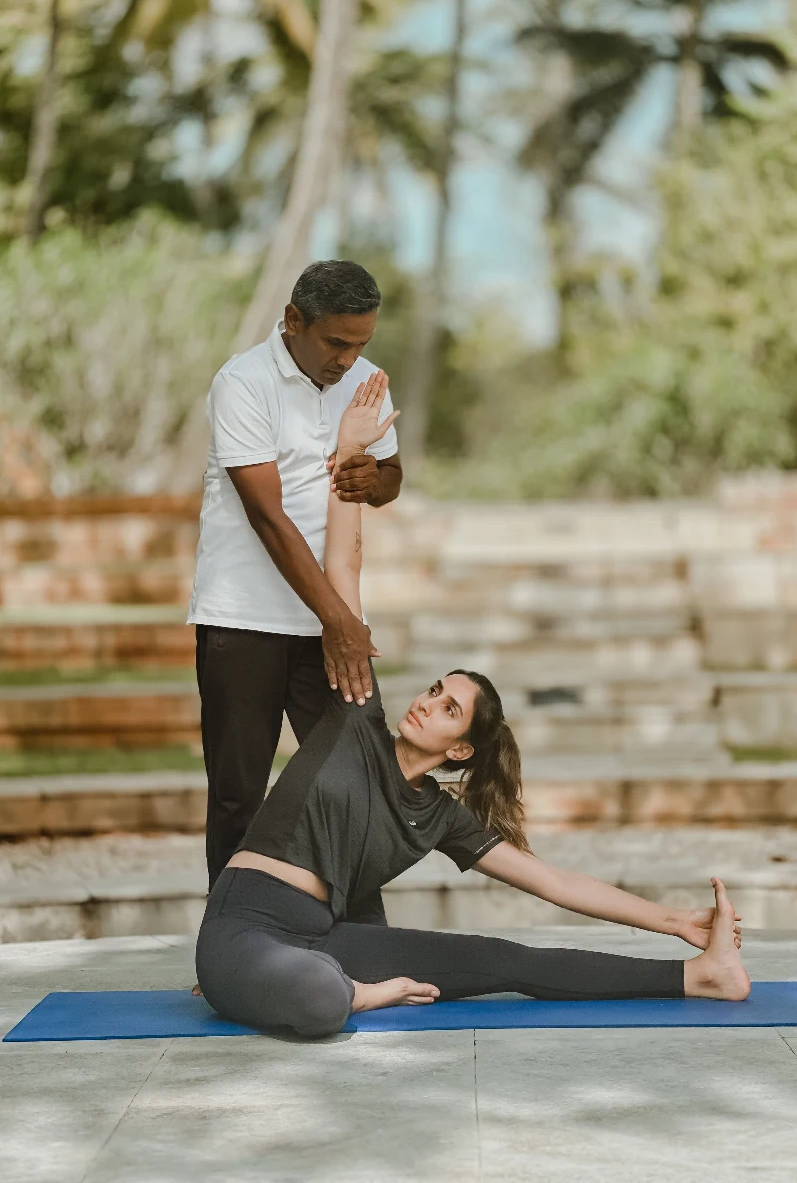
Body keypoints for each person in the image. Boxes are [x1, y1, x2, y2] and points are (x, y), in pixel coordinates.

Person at [194, 376, 750, 1036]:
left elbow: (555, 884)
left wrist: (675, 922)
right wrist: (347, 452)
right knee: (317, 1001)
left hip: (326, 936)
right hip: (245, 923)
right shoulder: (355, 719)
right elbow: (343, 568)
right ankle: (358, 994)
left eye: (450, 709)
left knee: (503, 960)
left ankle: (700, 978)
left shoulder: (438, 818)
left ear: (459, 750)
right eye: (436, 690)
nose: (430, 703)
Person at [187, 260, 402, 893]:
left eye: (362, 343)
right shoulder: (243, 383)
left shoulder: (367, 381)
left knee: (355, 784)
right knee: (238, 797)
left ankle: (360, 940)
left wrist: (374, 481)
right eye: (337, 342)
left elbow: (390, 478)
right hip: (242, 620)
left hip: (331, 627)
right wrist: (339, 621)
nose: (349, 359)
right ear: (293, 322)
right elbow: (267, 514)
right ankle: (227, 949)